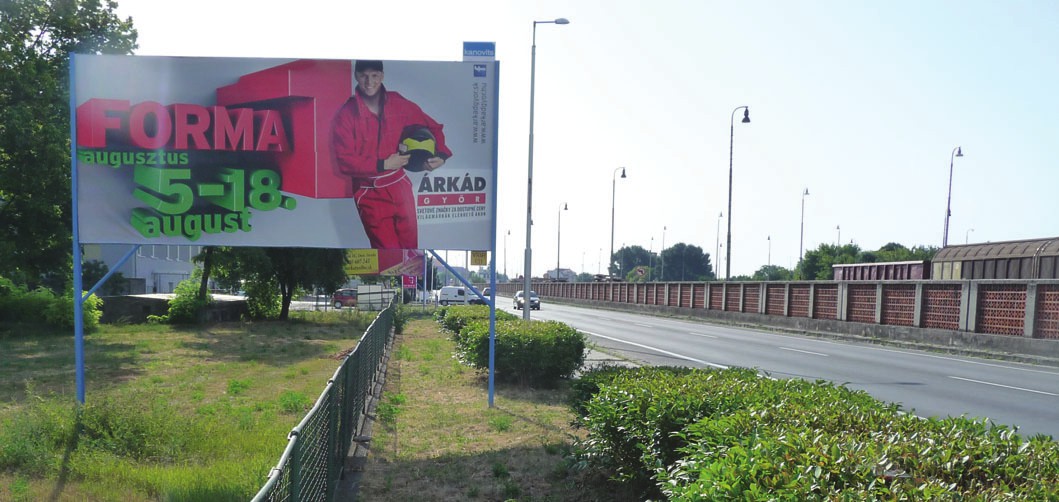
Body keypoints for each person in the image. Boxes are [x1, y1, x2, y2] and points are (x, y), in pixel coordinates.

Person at [331, 60, 452, 249]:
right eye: (364, 75)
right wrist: (383, 164)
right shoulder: (346, 115)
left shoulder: (398, 104)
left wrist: (441, 155)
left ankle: (412, 280)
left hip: (400, 186)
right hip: (369, 192)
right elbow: (344, 161)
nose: (369, 82)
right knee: (389, 257)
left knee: (411, 253)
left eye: (374, 75)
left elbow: (433, 127)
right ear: (356, 76)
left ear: (382, 76)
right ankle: (388, 279)